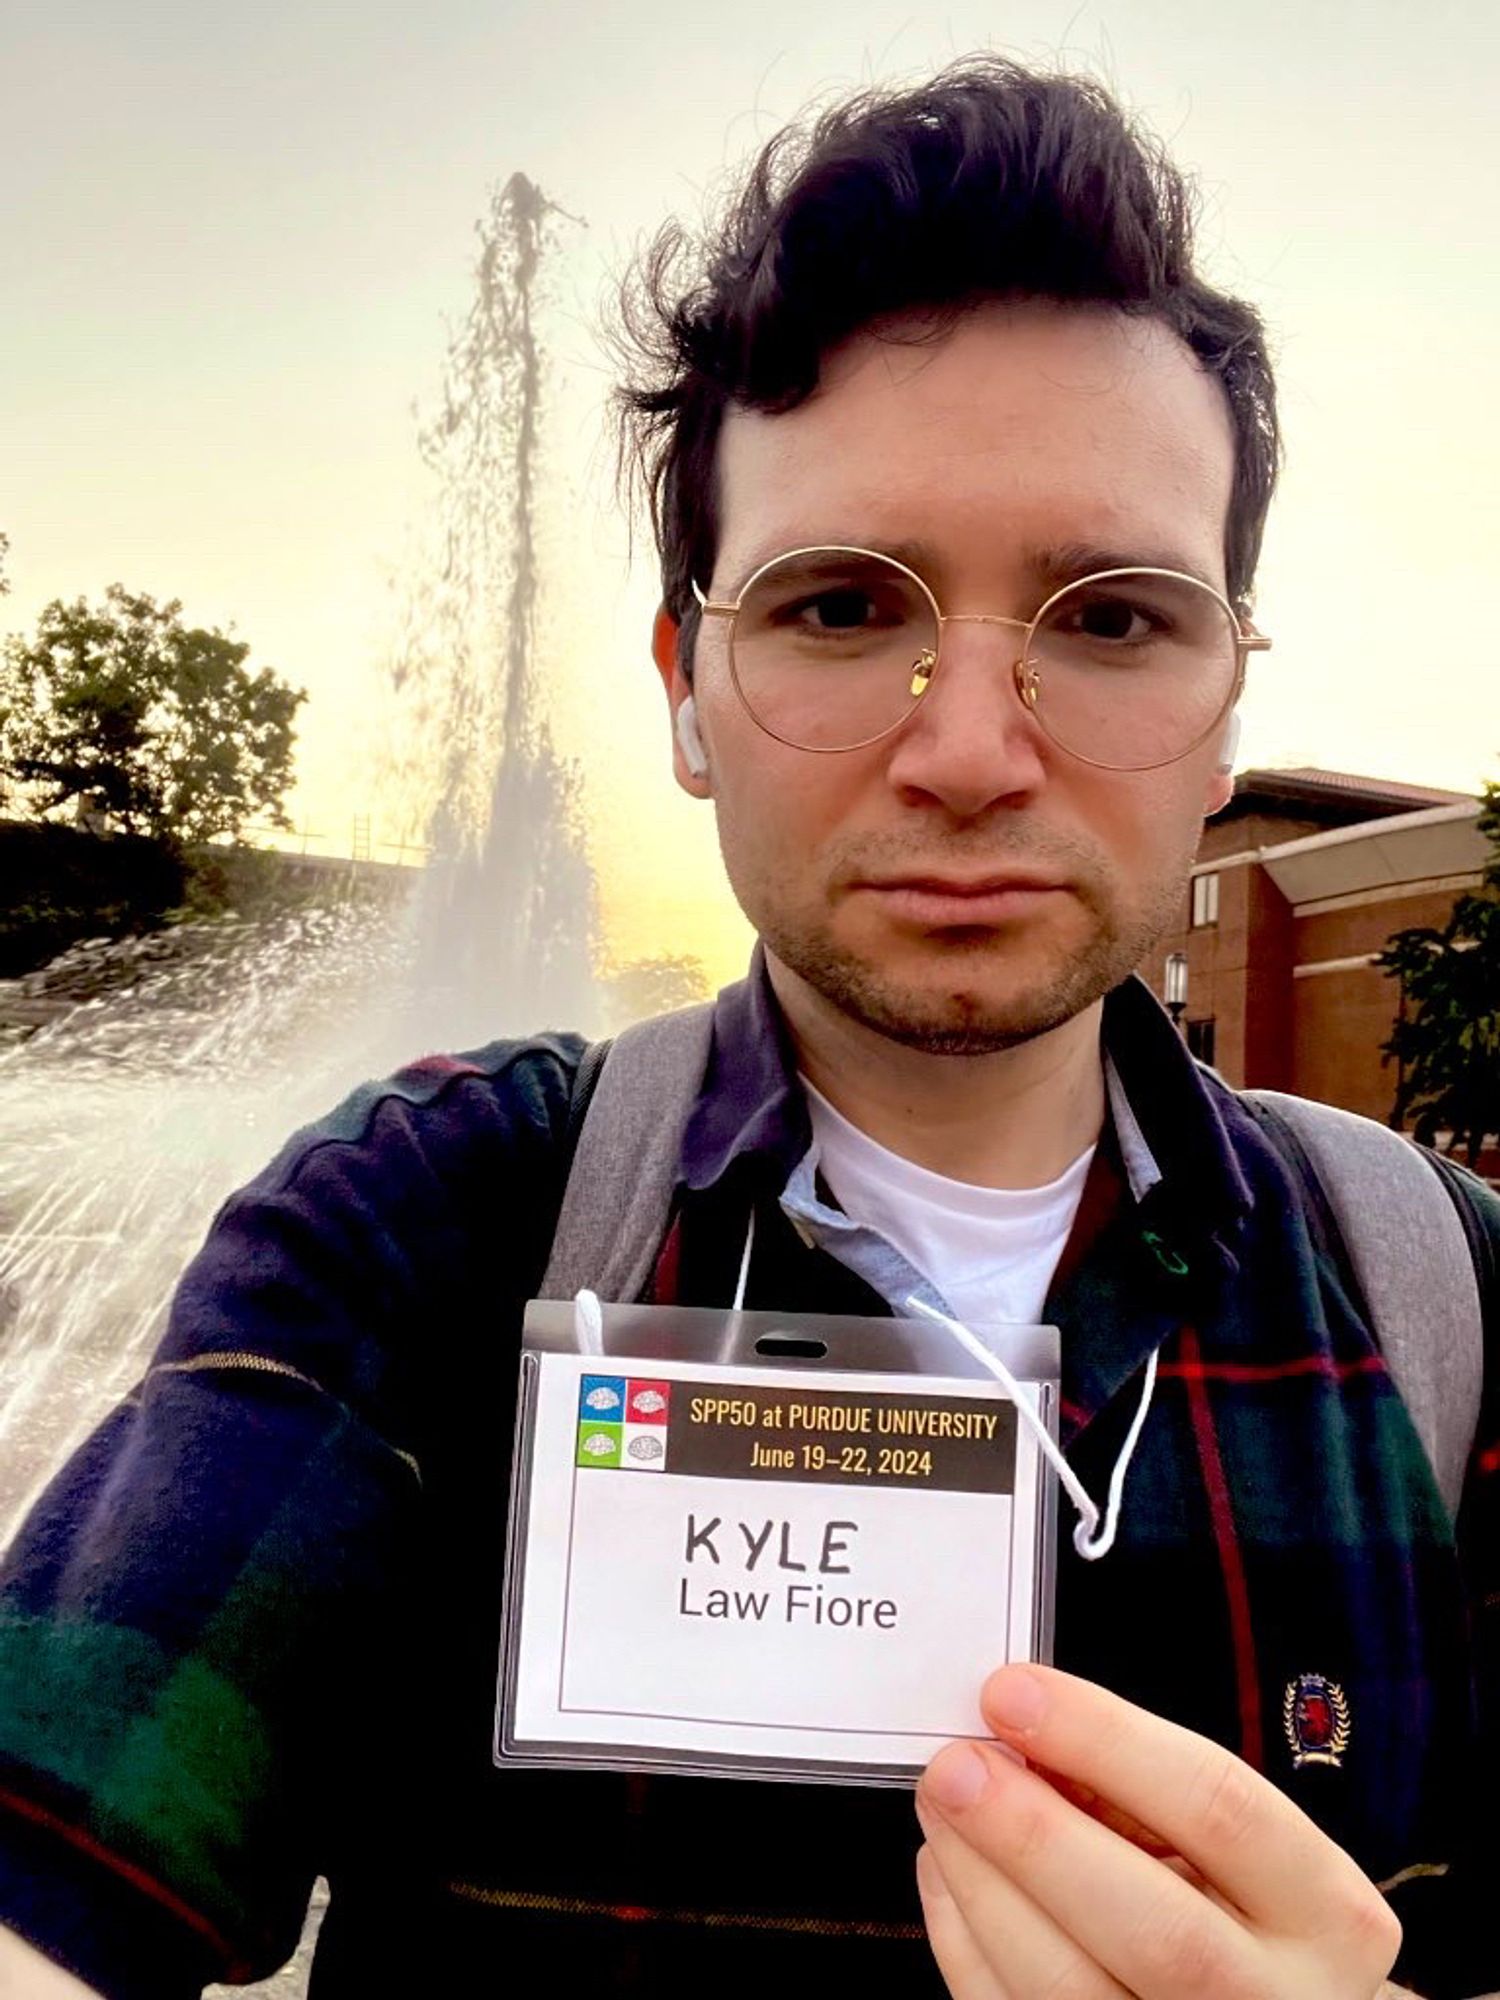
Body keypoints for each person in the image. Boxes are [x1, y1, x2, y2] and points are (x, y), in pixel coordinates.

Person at [2, 58, 1497, 2000]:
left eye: (1115, 618)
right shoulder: (432, 1225)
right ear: (687, 691)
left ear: (1226, 705)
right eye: (838, 607)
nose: (968, 753)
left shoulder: (1447, 1300)